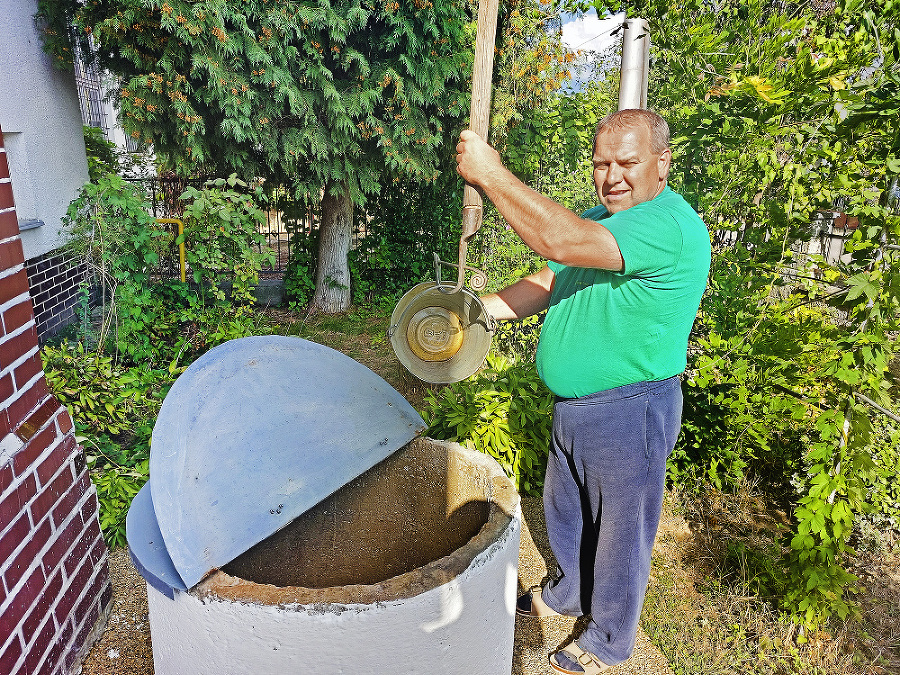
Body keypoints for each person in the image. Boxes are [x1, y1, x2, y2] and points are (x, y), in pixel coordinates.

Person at [455, 109, 711, 674]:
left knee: (622, 535)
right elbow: (550, 278)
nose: (612, 175)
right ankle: (569, 592)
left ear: (662, 163)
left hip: (631, 408)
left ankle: (610, 639)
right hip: (576, 409)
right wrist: (472, 317)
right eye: (601, 163)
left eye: (628, 162)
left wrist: (492, 175)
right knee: (565, 512)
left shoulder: (667, 225)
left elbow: (560, 242)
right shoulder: (604, 220)